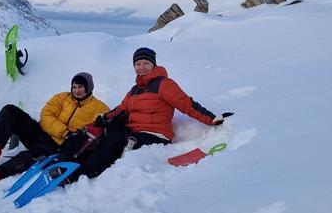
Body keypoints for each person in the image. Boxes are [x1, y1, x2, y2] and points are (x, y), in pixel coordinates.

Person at [77, 47, 232, 179]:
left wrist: (211, 118)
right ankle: (81, 168)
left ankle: (89, 173)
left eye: (146, 63)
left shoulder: (164, 84)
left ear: (153, 64)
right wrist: (104, 117)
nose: (141, 67)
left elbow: (186, 104)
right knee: (106, 135)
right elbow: (122, 108)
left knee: (115, 139)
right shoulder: (135, 89)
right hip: (134, 132)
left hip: (155, 134)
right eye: (138, 64)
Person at [0, 72, 109, 189]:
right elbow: (46, 115)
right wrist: (65, 132)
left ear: (89, 87)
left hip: (57, 147)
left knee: (28, 157)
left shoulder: (99, 108)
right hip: (40, 132)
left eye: (81, 87)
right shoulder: (62, 97)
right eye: (74, 87)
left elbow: (97, 130)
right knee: (10, 111)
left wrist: (74, 138)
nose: (76, 91)